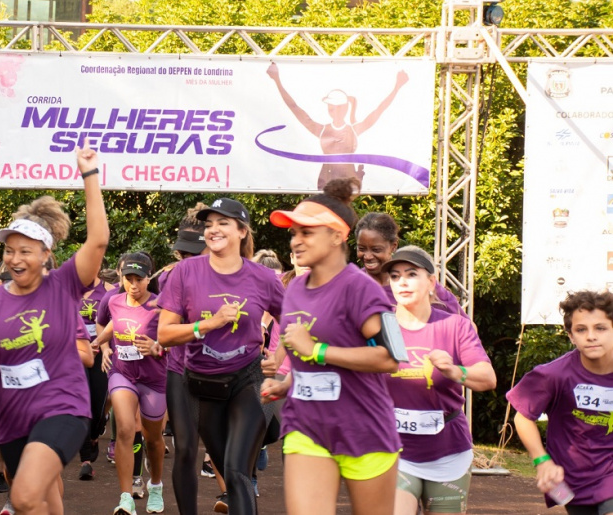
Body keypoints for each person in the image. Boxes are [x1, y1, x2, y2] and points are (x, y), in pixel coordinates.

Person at [0, 141, 107, 515]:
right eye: (9, 250)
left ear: (45, 254)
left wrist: (89, 174)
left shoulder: (64, 283)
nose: (15, 258)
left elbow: (98, 240)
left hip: (63, 408)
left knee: (21, 497)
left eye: (25, 250)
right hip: (12, 421)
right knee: (42, 504)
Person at [260, 179, 401, 515]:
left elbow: (390, 358)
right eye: (293, 233)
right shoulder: (293, 290)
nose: (295, 241)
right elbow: (305, 358)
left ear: (337, 236)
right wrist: (286, 384)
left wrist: (318, 351)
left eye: (306, 232)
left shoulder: (363, 289)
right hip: (306, 427)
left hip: (363, 430)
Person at [158, 197, 284, 515]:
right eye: (209, 224)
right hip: (201, 382)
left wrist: (280, 355)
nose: (213, 229)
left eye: (223, 222)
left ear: (242, 231)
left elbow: (296, 319)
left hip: (248, 377)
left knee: (237, 467)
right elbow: (165, 334)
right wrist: (209, 324)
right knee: (225, 468)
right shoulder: (184, 273)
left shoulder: (263, 278)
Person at [382, 246, 496, 515]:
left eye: (411, 274)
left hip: (448, 452)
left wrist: (457, 372)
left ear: (431, 282)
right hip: (394, 450)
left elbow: (487, 378)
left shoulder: (455, 326)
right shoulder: (379, 326)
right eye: (395, 276)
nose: (403, 282)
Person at [507, 290, 613, 515]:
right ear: (571, 336)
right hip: (569, 479)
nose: (591, 336)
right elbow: (523, 417)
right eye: (581, 329)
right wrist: (542, 461)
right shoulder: (553, 375)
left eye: (600, 328)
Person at [95, 253, 167, 514]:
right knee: (125, 430)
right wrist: (103, 347)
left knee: (153, 438)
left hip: (154, 379)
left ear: (150, 278)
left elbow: (177, 339)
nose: (133, 285)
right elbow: (106, 323)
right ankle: (125, 497)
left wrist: (158, 347)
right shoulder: (113, 300)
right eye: (129, 279)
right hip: (122, 373)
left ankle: (156, 485)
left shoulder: (162, 306)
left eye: (139, 279)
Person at [266, 63, 408, 190]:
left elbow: (379, 110)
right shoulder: (322, 130)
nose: (335, 110)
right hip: (325, 187)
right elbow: (295, 108)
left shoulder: (353, 130)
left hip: (348, 189)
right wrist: (277, 80)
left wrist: (397, 87)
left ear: (345, 108)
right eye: (331, 107)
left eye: (338, 107)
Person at [356, 212, 465, 317]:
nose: (367, 256)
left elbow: (467, 327)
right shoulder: (353, 285)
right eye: (361, 249)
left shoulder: (420, 282)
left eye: (376, 250)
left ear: (393, 246)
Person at [76, 269, 116, 482]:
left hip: (101, 353)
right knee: (81, 403)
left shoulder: (109, 291)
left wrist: (102, 344)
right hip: (76, 355)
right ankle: (86, 461)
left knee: (99, 404)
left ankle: (95, 434)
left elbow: (113, 321)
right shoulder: (69, 291)